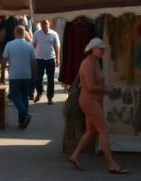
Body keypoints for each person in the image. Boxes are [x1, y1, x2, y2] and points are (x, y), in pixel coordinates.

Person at [68, 38, 128, 174]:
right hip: (90, 101)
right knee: (103, 129)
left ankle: (75, 155)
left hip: (93, 100)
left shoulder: (94, 62)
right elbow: (90, 86)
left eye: (103, 49)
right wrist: (106, 90)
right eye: (100, 49)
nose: (103, 51)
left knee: (91, 131)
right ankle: (111, 164)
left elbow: (92, 84)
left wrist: (105, 88)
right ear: (92, 49)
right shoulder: (88, 63)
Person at [2, 25, 36, 129]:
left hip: (14, 75)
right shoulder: (29, 46)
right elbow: (34, 63)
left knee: (15, 97)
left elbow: (4, 61)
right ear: (24, 33)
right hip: (27, 75)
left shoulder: (9, 45)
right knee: (24, 98)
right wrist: (34, 76)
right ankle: (22, 121)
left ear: (14, 33)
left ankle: (25, 115)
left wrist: (2, 75)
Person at [32, 19, 60, 105]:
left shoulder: (54, 34)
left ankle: (50, 97)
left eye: (46, 24)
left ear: (49, 24)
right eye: (42, 24)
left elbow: (57, 46)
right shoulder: (37, 33)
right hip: (39, 59)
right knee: (38, 79)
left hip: (50, 59)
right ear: (40, 25)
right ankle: (40, 92)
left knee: (50, 79)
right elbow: (33, 45)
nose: (44, 26)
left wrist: (58, 59)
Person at [0, 15, 20, 84]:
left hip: (5, 45)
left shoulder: (4, 23)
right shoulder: (18, 23)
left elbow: (2, 36)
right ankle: (13, 77)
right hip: (16, 45)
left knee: (4, 62)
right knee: (13, 62)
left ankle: (3, 78)